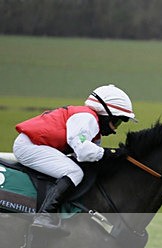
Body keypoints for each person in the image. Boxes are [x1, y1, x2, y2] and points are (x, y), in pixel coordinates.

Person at [13, 84, 136, 230]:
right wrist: (112, 153)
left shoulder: (93, 126)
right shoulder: (87, 117)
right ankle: (45, 215)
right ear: (105, 113)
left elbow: (90, 157)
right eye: (116, 122)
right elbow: (84, 151)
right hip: (29, 147)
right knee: (74, 172)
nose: (115, 129)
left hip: (40, 146)